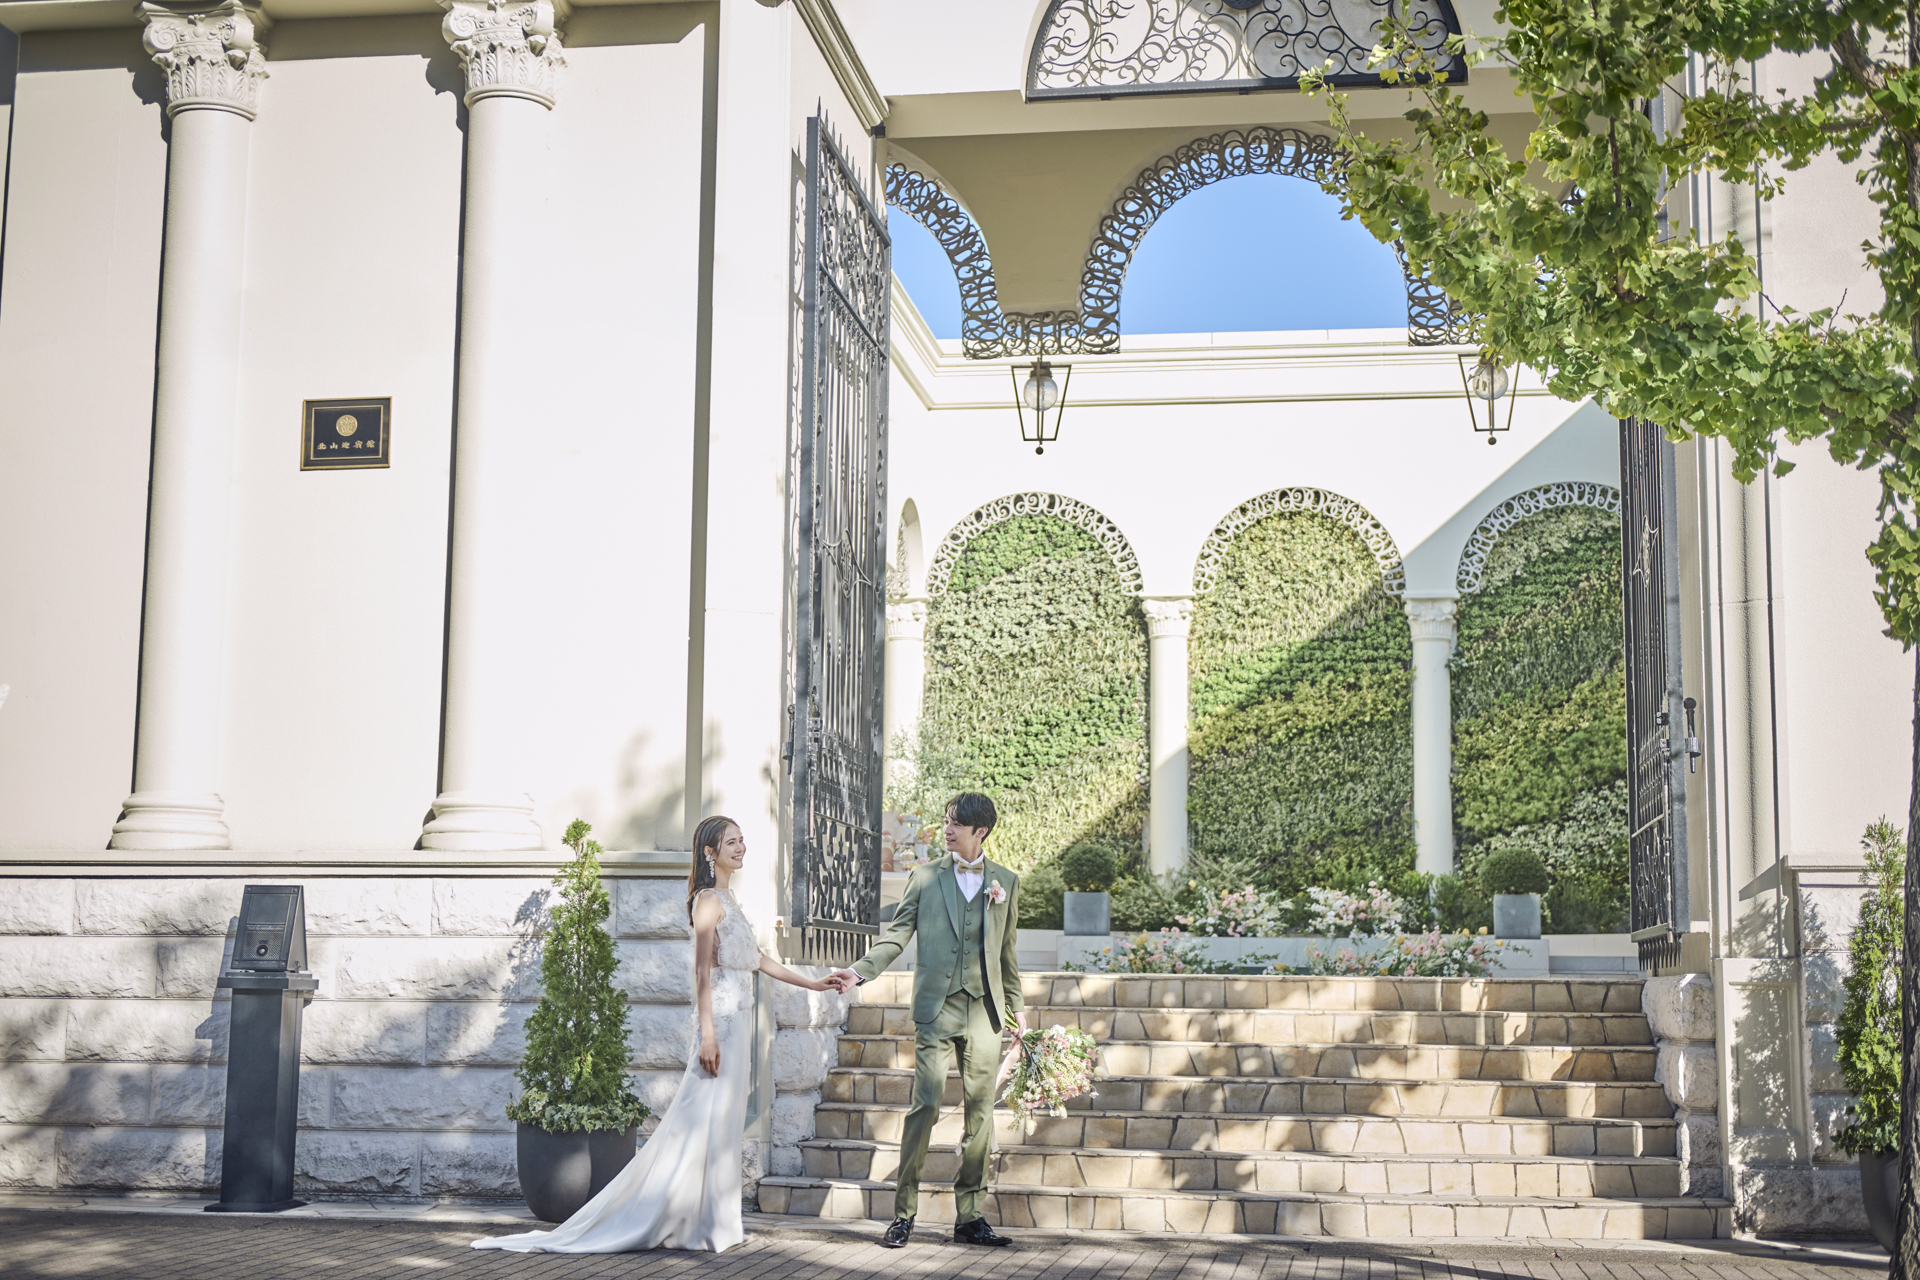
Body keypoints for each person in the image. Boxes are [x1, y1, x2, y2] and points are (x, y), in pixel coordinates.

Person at [474, 815, 831, 1255]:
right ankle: (678, 1218)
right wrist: (707, 1036)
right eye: (731, 842)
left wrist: (813, 983)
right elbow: (701, 971)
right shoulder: (707, 901)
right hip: (719, 1028)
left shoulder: (729, 899)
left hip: (738, 1028)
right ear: (709, 852)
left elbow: (756, 958)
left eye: (742, 840)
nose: (741, 848)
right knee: (696, 1122)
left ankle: (713, 1220)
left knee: (723, 1125)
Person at [825, 791, 1023, 1249]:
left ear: (981, 831)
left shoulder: (1007, 883)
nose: (947, 830)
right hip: (937, 1007)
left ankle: (970, 1217)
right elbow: (897, 934)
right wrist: (859, 971)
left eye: (956, 824)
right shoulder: (925, 877)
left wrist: (1018, 1013)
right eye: (946, 821)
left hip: (985, 1011)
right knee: (926, 1105)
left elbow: (1007, 956)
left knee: (981, 1113)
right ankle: (904, 1215)